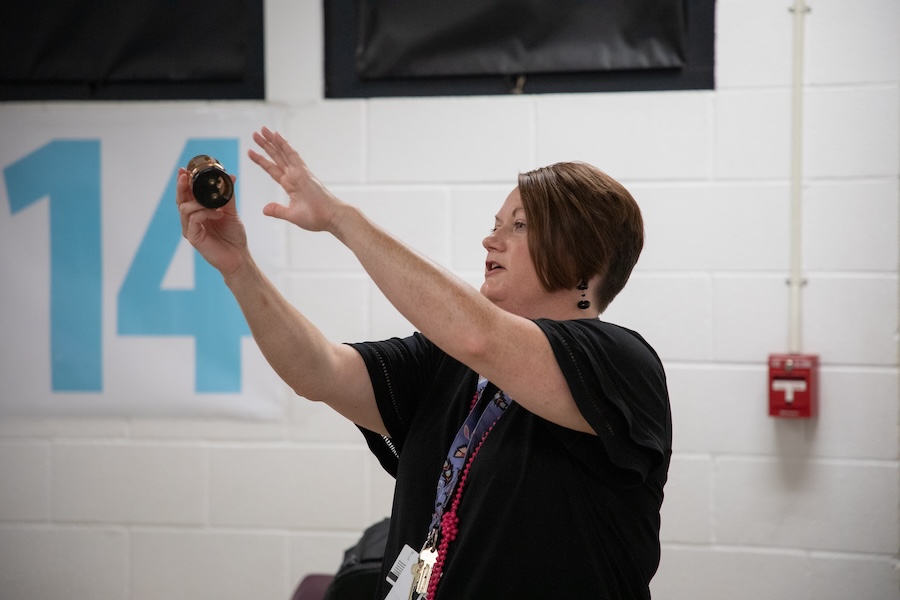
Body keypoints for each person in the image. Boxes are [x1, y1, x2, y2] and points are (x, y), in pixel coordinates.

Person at [177, 127, 672, 600]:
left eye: (518, 226)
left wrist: (339, 218)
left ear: (587, 256)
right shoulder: (448, 361)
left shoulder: (620, 362)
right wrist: (239, 269)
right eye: (494, 225)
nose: (490, 241)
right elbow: (319, 371)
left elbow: (480, 335)